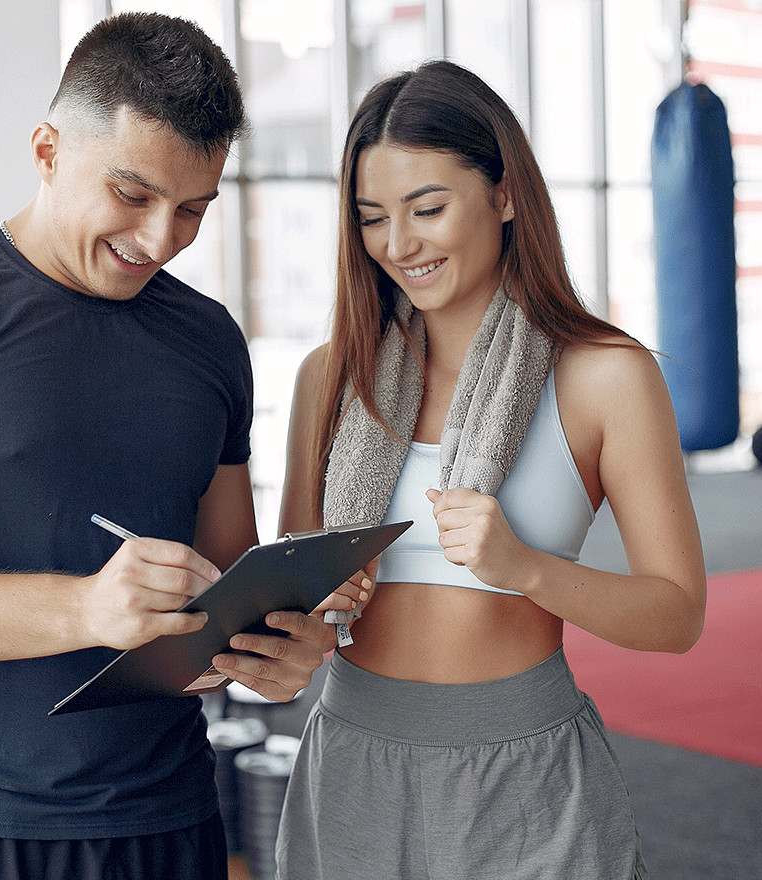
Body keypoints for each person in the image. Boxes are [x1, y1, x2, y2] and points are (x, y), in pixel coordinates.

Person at [0, 13, 344, 880]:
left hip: (171, 825)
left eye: (193, 209)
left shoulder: (209, 340)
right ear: (48, 149)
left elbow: (227, 577)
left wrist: (269, 652)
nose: (162, 239)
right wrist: (84, 610)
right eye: (132, 193)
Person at [275, 60, 706, 880]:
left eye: (427, 208)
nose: (398, 244)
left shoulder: (607, 375)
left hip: (527, 777)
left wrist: (526, 569)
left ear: (505, 195)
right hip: (354, 763)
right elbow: (289, 608)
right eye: (372, 218)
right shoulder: (330, 375)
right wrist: (313, 595)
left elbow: (677, 615)